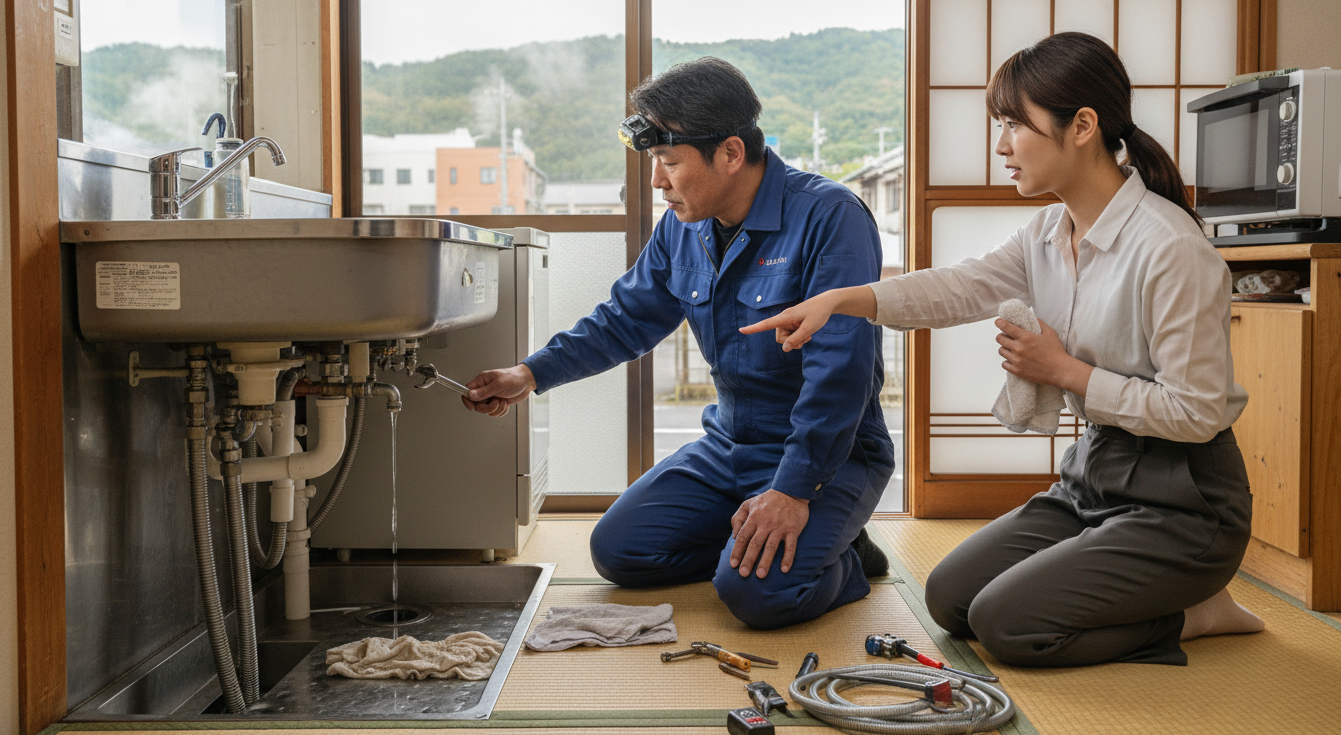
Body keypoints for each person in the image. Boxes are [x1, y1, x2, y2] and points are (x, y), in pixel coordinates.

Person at [742, 32, 1265, 666]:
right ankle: (1144, 595)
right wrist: (842, 299)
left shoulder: (1170, 248)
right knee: (949, 598)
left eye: (1014, 125)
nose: (1000, 145)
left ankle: (1190, 613)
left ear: (1082, 126)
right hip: (1092, 478)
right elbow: (963, 287)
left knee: (1008, 625)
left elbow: (1199, 411)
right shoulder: (1049, 230)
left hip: (1184, 502)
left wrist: (1064, 371)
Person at [461, 57, 895, 630]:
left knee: (756, 598)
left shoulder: (829, 216)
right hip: (730, 444)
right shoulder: (682, 227)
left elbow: (841, 374)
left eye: (669, 163)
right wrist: (529, 374)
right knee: (619, 552)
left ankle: (842, 556)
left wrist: (793, 491)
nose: (658, 182)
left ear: (732, 153)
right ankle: (767, 544)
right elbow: (623, 320)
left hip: (827, 457)